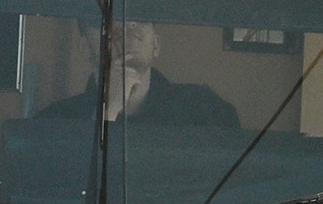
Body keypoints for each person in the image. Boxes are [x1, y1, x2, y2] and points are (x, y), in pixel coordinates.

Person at [37, 19, 239, 127]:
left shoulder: (207, 112)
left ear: (156, 45)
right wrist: (108, 112)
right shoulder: (52, 123)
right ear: (84, 47)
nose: (129, 23)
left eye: (142, 17)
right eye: (111, 14)